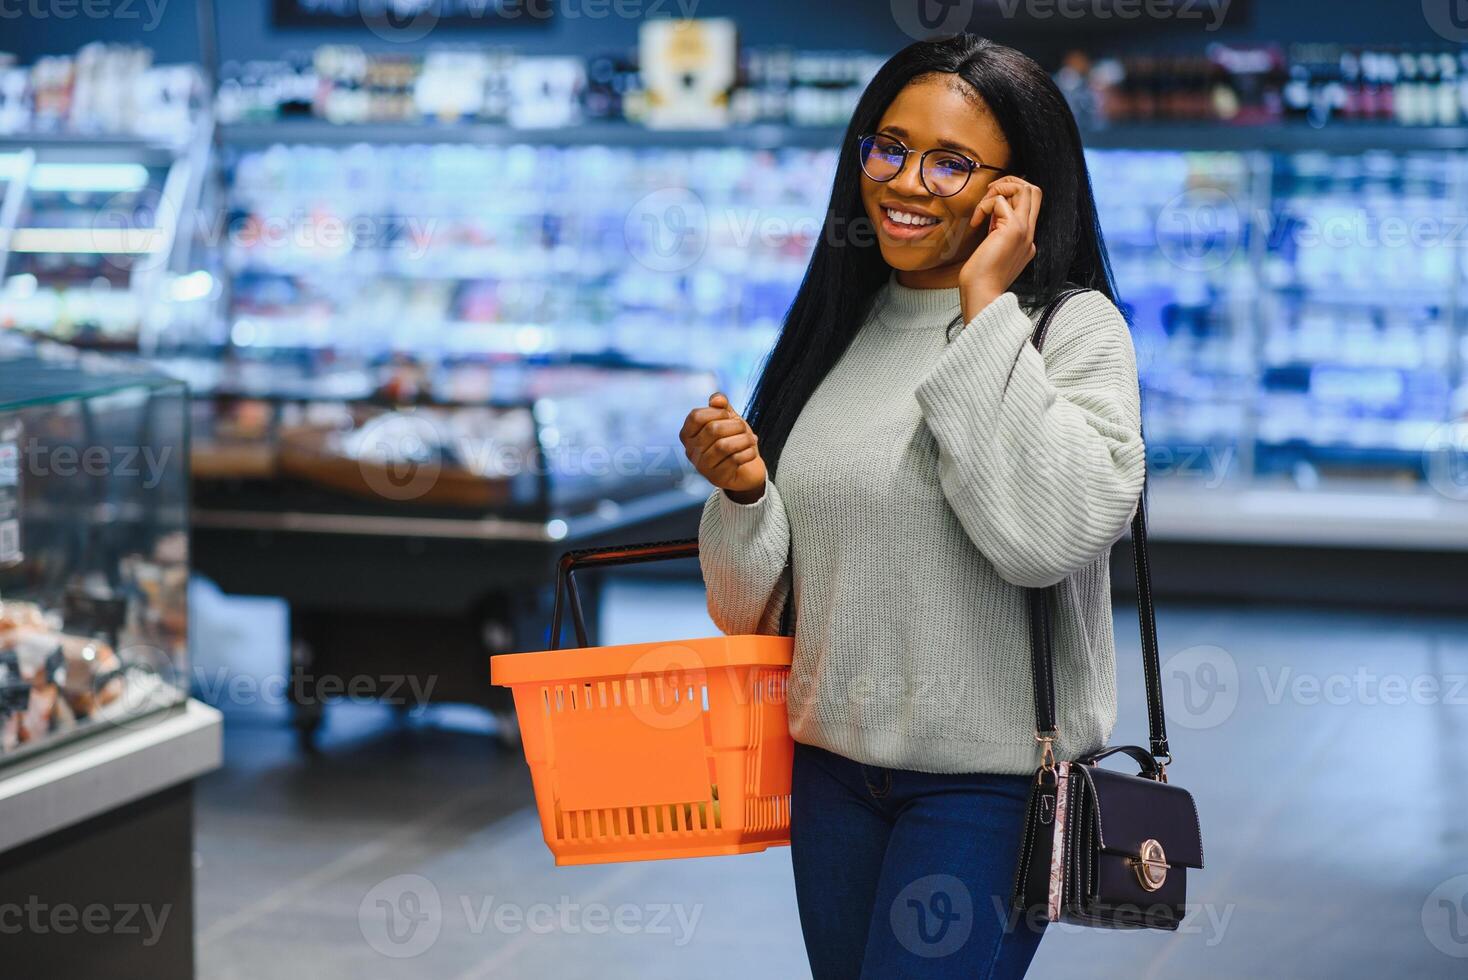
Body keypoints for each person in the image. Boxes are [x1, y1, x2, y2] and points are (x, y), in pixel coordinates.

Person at [679, 33, 1144, 980]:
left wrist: (984, 303)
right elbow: (750, 611)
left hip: (991, 787)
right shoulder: (839, 330)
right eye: (887, 147)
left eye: (951, 162)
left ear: (1016, 192)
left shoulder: (1074, 330)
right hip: (834, 773)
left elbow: (1043, 537)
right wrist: (744, 496)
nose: (907, 181)